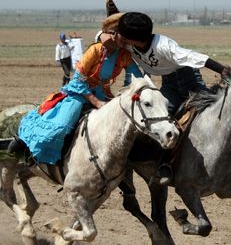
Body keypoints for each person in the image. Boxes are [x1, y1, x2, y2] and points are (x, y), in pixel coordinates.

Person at [98, 12, 230, 184]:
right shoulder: (130, 43)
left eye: (121, 34)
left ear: (134, 38)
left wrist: (222, 70)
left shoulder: (164, 46)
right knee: (161, 120)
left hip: (189, 81)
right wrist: (103, 35)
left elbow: (192, 56)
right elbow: (103, 34)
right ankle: (164, 164)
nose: (118, 37)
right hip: (169, 86)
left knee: (211, 117)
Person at [11, 15, 143, 165]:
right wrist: (96, 102)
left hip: (104, 95)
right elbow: (77, 79)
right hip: (80, 93)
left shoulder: (124, 56)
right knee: (60, 127)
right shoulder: (95, 50)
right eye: (124, 36)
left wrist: (128, 92)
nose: (127, 41)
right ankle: (27, 147)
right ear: (113, 34)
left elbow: (135, 76)